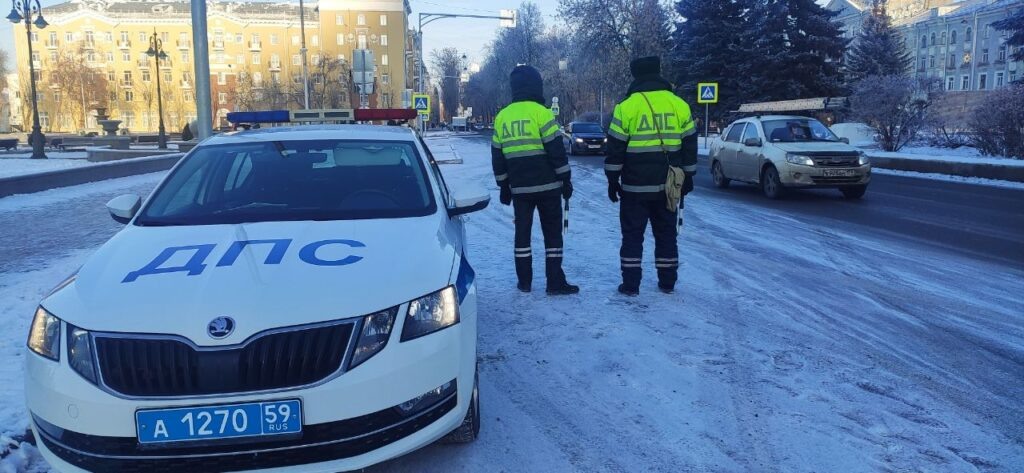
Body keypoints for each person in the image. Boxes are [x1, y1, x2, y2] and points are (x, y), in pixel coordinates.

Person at [605, 56, 697, 295]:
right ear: (658, 72)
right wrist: (688, 176)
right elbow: (689, 145)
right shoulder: (678, 104)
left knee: (633, 236)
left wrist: (612, 180)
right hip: (668, 185)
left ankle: (631, 285)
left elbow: (615, 150)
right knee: (666, 233)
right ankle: (668, 282)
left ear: (636, 76)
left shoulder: (626, 107)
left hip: (635, 187)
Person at [491, 65, 579, 295]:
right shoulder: (542, 113)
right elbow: (556, 152)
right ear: (536, 86)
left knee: (522, 235)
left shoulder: (502, 117)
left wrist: (503, 186)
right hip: (548, 188)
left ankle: (525, 282)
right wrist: (566, 180)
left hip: (520, 190)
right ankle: (554, 282)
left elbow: (498, 157)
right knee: (552, 235)